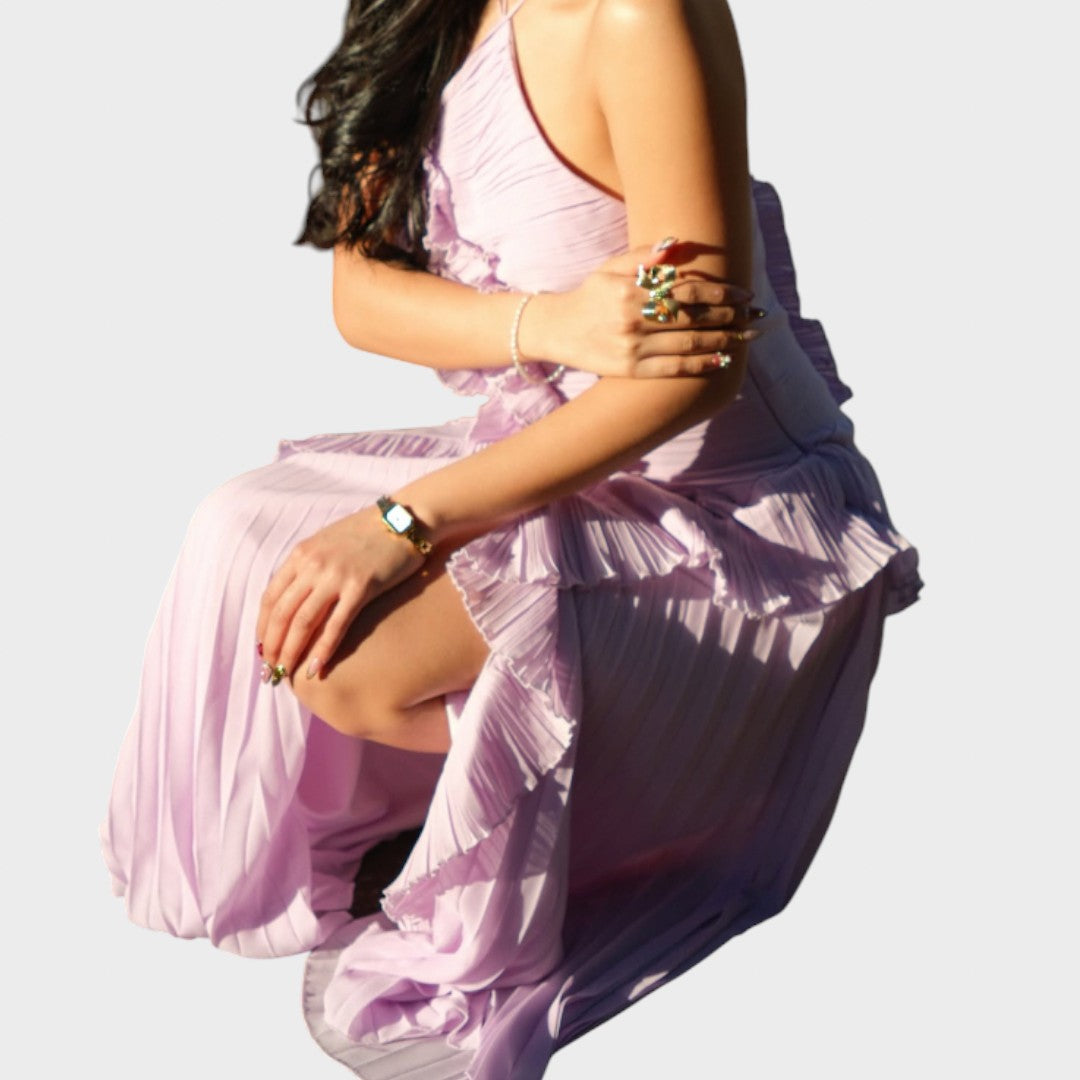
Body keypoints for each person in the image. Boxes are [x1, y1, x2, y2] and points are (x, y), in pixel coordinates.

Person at [101, 0, 921, 1076]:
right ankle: (469, 804)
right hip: (557, 453)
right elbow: (361, 292)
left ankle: (597, 810)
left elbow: (696, 367)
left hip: (735, 529)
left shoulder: (641, 17)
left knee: (346, 652)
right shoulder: (417, 13)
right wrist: (550, 323)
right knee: (237, 531)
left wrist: (408, 521)